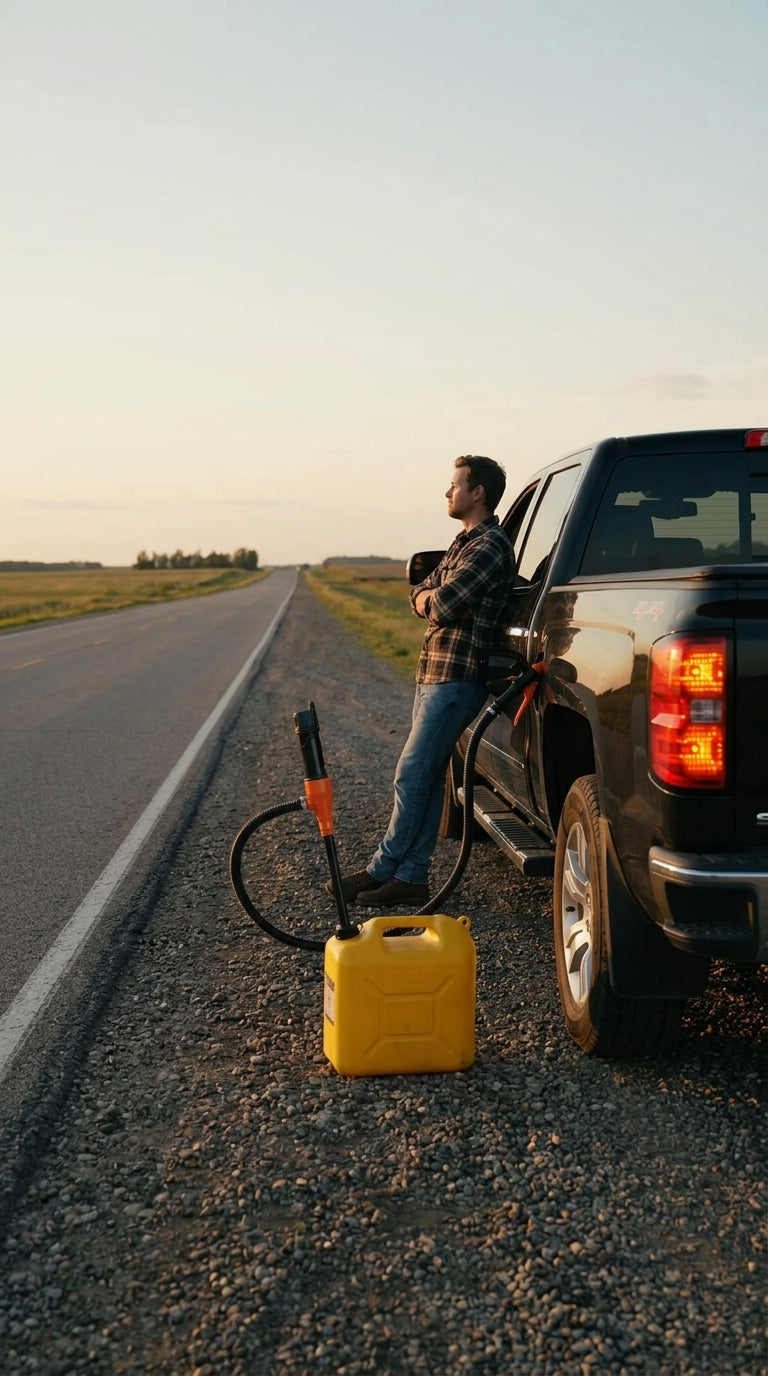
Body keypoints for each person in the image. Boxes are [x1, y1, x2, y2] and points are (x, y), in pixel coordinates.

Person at [333, 454, 514, 908]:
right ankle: (411, 877)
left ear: (477, 493)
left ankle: (382, 867)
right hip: (433, 674)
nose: (447, 492)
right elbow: (420, 593)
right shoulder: (461, 544)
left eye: (454, 485)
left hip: (457, 677)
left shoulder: (489, 546)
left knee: (411, 773)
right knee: (429, 776)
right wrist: (429, 598)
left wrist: (431, 599)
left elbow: (441, 603)